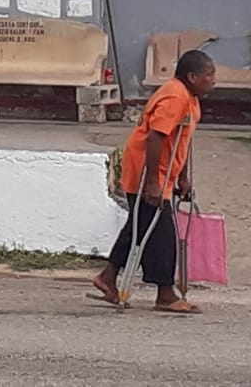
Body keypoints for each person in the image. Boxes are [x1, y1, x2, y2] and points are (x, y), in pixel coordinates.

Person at [92, 49, 218, 314]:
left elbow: (180, 139)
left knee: (140, 226)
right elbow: (156, 137)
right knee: (161, 234)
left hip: (163, 173)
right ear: (192, 76)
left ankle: (107, 277)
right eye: (209, 75)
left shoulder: (190, 99)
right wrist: (152, 181)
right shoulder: (175, 96)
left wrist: (182, 177)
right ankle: (165, 294)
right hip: (147, 171)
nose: (213, 80)